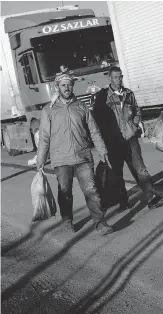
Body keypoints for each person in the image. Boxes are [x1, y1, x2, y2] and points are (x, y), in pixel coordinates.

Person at [36, 73, 113, 235]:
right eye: (63, 85)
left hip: (82, 156)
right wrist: (41, 158)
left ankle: (100, 222)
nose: (67, 88)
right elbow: (44, 137)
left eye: (69, 85)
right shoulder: (48, 110)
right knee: (65, 192)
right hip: (61, 159)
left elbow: (94, 130)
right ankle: (67, 220)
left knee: (92, 190)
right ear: (57, 87)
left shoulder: (81, 107)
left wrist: (102, 150)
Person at [90, 66, 163, 212]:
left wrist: (135, 123)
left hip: (130, 139)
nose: (118, 80)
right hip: (113, 141)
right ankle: (123, 202)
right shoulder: (102, 97)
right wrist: (105, 136)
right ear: (110, 79)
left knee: (140, 168)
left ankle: (151, 198)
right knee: (117, 173)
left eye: (120, 77)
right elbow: (96, 119)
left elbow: (137, 110)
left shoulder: (129, 94)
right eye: (115, 77)